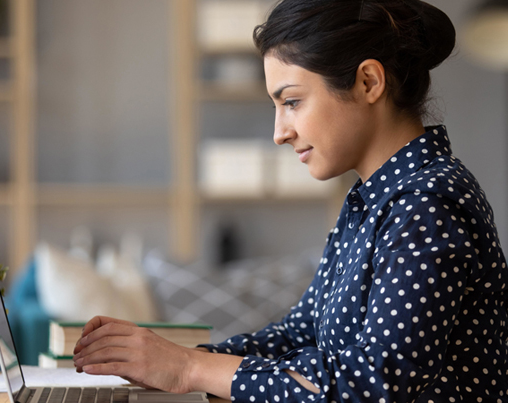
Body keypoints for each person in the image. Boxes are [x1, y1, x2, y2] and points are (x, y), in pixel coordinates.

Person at [73, 0, 508, 401]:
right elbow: (300, 333)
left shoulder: (427, 203)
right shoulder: (374, 199)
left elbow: (375, 381)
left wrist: (192, 367)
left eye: (293, 101)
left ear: (368, 82)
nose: (280, 132)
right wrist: (169, 359)